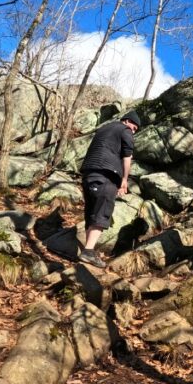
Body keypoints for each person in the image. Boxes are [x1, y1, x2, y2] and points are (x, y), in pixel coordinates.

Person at [77, 111, 141, 268]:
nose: (133, 131)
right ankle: (88, 252)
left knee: (92, 211)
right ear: (127, 121)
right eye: (134, 128)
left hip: (88, 173)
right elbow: (127, 157)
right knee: (103, 210)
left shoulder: (104, 129)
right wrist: (124, 180)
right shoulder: (124, 130)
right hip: (106, 174)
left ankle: (87, 249)